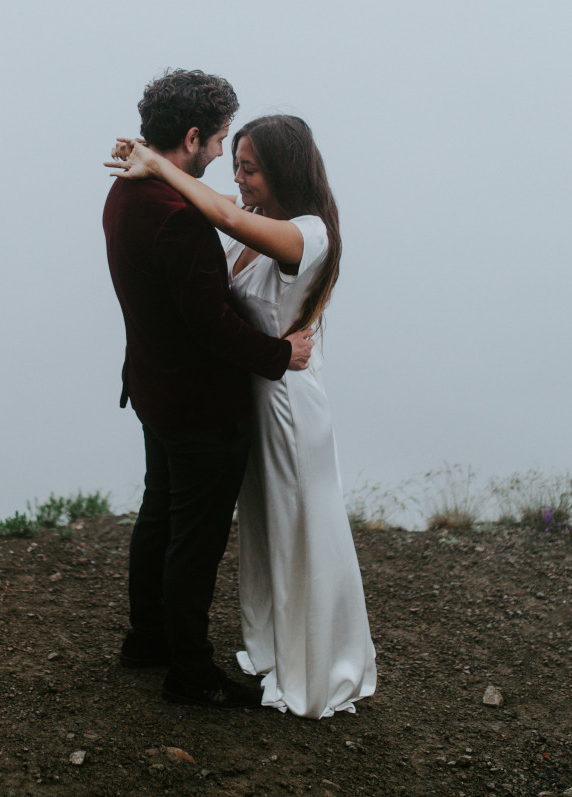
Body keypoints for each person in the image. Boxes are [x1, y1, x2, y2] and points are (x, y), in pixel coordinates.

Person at [107, 114, 376, 718]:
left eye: (249, 167)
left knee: (301, 533)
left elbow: (222, 213)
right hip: (253, 397)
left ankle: (322, 665)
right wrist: (154, 161)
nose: (238, 176)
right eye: (236, 164)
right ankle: (278, 649)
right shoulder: (265, 222)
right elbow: (220, 203)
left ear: (281, 169)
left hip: (286, 408)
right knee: (265, 538)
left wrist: (156, 165)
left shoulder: (308, 234)